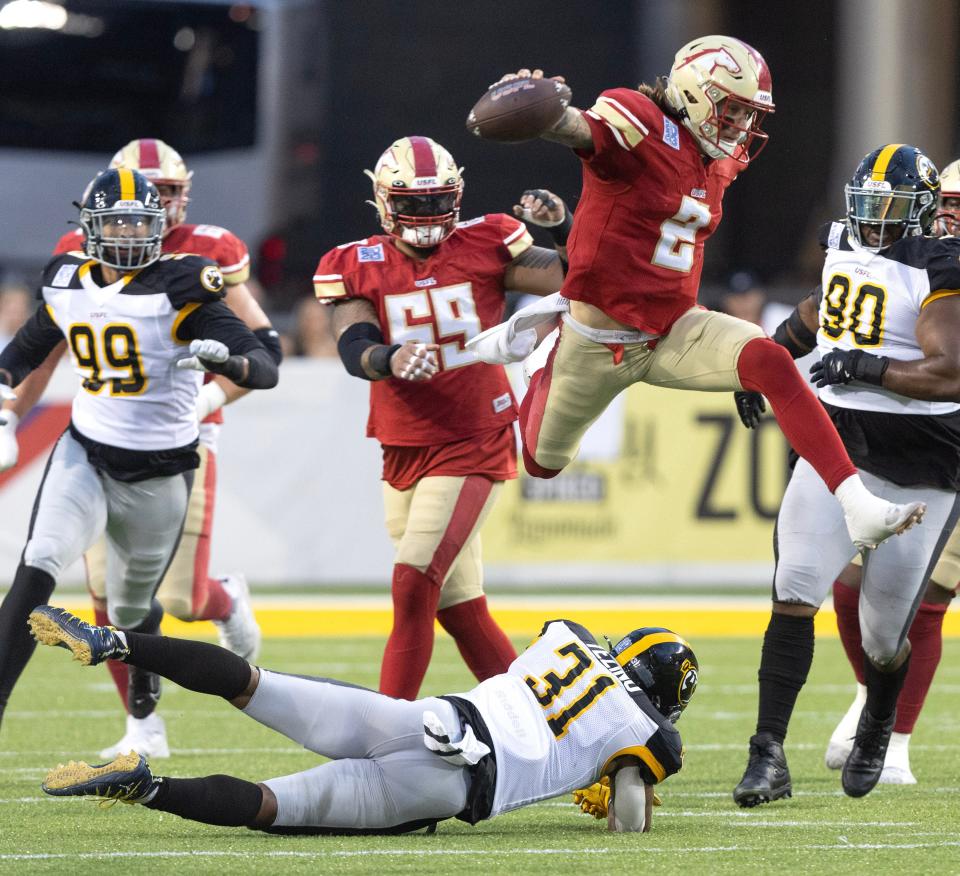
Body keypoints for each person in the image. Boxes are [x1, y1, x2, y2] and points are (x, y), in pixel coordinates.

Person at [468, 36, 925, 555]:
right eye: (731, 111)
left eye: (748, 115)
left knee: (771, 361)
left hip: (673, 330)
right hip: (593, 338)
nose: (741, 127)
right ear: (692, 91)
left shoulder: (719, 162)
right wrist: (537, 106)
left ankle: (856, 505)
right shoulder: (637, 122)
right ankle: (544, 353)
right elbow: (574, 128)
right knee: (542, 463)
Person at [0, 139, 281, 759]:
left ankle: (147, 714)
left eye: (140, 223)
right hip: (86, 451)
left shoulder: (184, 280)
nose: (128, 235)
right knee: (37, 566)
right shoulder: (66, 277)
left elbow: (265, 364)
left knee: (133, 610)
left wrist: (227, 361)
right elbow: (26, 348)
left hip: (162, 469)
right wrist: (4, 398)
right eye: (115, 223)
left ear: (161, 227)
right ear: (89, 230)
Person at [30, 604, 696, 835]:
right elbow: (627, 820)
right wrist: (622, 788)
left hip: (422, 719)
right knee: (272, 808)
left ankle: (116, 643)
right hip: (449, 789)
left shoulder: (568, 636)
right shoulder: (649, 734)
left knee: (252, 684)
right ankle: (144, 787)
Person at [731, 144, 960, 805]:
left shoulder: (941, 265)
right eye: (868, 207)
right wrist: (769, 357)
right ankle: (766, 753)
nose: (877, 221)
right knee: (794, 585)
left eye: (891, 210)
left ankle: (880, 722)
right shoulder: (842, 242)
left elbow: (949, 370)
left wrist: (870, 369)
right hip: (840, 450)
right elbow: (816, 313)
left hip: (920, 463)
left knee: (885, 636)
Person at [313, 136, 569, 699]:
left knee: (412, 586)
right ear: (383, 201)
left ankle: (383, 733)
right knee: (460, 608)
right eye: (413, 202)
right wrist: (389, 357)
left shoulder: (488, 242)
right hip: (403, 441)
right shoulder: (357, 262)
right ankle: (551, 731)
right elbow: (354, 342)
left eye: (436, 202)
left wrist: (563, 227)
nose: (426, 216)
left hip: (473, 435)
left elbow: (574, 278)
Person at [820, 155, 960, 785]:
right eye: (949, 203)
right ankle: (877, 698)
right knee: (849, 585)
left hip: (946, 453)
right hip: (917, 443)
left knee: (925, 601)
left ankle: (894, 742)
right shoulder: (919, 263)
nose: (952, 216)